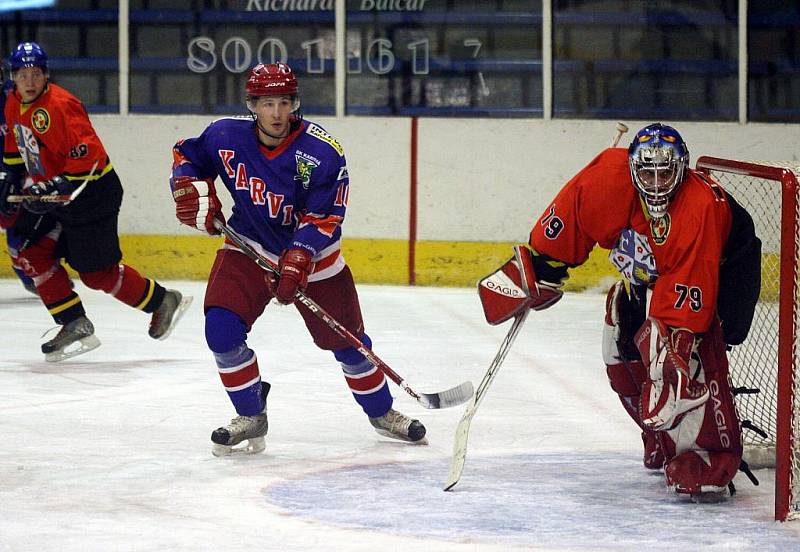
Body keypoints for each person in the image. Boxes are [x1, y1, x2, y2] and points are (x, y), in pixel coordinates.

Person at [478, 123, 761, 500]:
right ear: (631, 169)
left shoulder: (699, 207)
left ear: (684, 169)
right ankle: (660, 438)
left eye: (666, 173)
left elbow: (683, 305)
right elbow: (567, 228)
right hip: (657, 269)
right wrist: (537, 272)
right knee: (620, 337)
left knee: (683, 356)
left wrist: (673, 346)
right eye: (648, 172)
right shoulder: (606, 180)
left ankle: (709, 453)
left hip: (723, 266)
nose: (657, 183)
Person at [170, 61, 427, 456]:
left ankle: (382, 412)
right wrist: (190, 189)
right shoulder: (225, 136)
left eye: (284, 103)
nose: (276, 113)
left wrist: (298, 258)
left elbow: (324, 217)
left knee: (349, 345)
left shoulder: (322, 152)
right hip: (249, 248)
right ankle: (251, 414)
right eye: (267, 103)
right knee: (221, 332)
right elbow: (187, 156)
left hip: (316, 260)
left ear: (295, 104)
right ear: (252, 104)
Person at [0, 41, 192, 361]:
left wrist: (52, 186)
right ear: (14, 78)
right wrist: (8, 179)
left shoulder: (61, 105)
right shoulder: (12, 103)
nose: (30, 81)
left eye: (36, 74)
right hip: (60, 194)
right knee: (31, 252)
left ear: (46, 75)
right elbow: (15, 148)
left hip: (93, 193)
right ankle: (73, 322)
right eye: (23, 74)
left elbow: (87, 160)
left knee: (95, 273)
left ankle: (162, 302)